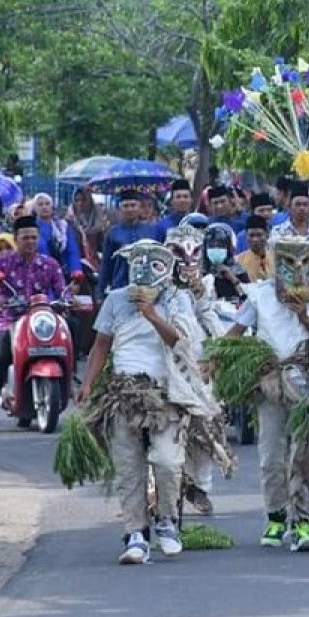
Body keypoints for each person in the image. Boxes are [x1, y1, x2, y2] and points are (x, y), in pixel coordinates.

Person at [77, 239, 230, 565]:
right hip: (124, 392)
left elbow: (181, 342)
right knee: (129, 468)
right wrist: (89, 384)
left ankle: (166, 521)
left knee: (167, 461)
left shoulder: (178, 300)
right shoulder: (116, 300)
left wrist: (151, 314)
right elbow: (102, 344)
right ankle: (135, 534)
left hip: (166, 394)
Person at [227, 237, 309, 552]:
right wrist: (212, 362)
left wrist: (303, 316)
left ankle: (303, 521)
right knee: (271, 457)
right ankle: (275, 516)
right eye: (288, 260)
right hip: (271, 385)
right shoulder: (258, 295)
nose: (296, 268)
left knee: (304, 456)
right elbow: (234, 334)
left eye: (304, 261)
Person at [0, 216, 70, 434]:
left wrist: (67, 299)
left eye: (34, 238)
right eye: (25, 237)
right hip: (10, 319)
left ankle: (69, 384)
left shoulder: (50, 264)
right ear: (16, 239)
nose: (30, 242)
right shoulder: (2, 263)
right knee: (0, 356)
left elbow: (61, 289)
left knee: (69, 331)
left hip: (41, 318)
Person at [98, 190, 163, 297]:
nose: (130, 209)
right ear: (120, 209)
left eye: (133, 205)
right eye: (126, 206)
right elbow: (106, 263)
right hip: (120, 286)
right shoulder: (113, 233)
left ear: (140, 208)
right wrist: (100, 291)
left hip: (147, 287)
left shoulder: (152, 231)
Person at [32, 193, 83, 282]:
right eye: (40, 204)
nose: (44, 207)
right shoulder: (31, 227)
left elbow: (72, 251)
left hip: (64, 273)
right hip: (38, 275)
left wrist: (76, 271)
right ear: (35, 208)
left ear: (52, 207)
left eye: (47, 204)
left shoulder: (63, 226)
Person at [270, 181, 309, 252]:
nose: (302, 208)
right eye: (297, 204)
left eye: (305, 204)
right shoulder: (278, 231)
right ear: (289, 207)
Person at [66, 188, 108, 272]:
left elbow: (104, 247)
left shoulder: (100, 222)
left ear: (90, 201)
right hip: (76, 267)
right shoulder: (68, 223)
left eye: (84, 200)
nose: (80, 203)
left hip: (97, 265)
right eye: (77, 200)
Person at [236, 215, 273, 281]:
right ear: (246, 236)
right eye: (251, 235)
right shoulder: (238, 261)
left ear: (267, 235)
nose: (255, 239)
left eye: (259, 235)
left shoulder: (276, 259)